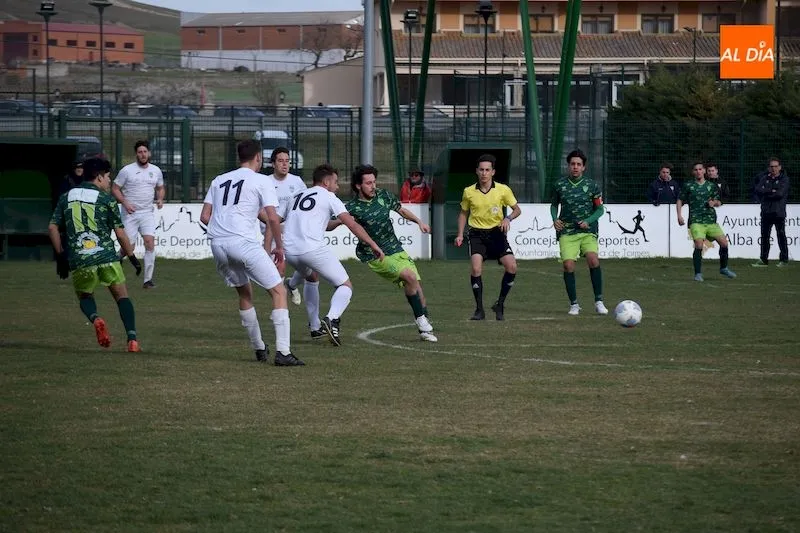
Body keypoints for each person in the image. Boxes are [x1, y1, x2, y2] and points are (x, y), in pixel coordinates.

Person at [200, 140, 304, 366]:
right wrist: (279, 248)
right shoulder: (260, 180)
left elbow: (205, 216)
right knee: (278, 291)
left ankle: (259, 347)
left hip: (218, 245)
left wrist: (228, 224)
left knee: (245, 294)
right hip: (243, 243)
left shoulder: (219, 180)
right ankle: (283, 352)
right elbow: (273, 218)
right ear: (258, 157)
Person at [281, 163, 385, 346]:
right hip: (312, 249)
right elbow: (353, 225)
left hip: (289, 251)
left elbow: (276, 218)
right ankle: (331, 318)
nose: (338, 186)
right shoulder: (329, 196)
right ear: (327, 182)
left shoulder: (296, 196)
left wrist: (337, 223)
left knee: (312, 277)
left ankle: (314, 327)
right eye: (336, 182)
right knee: (345, 285)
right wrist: (372, 244)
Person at [47, 157, 143, 352]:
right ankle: (132, 340)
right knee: (122, 296)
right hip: (106, 257)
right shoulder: (106, 199)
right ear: (99, 177)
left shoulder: (66, 196)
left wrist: (61, 254)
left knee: (85, 296)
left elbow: (52, 227)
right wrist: (132, 257)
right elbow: (120, 233)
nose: (109, 181)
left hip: (80, 259)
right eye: (108, 177)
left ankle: (96, 318)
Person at [336, 164, 437, 342]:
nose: (373, 186)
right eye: (368, 183)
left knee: (417, 289)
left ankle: (424, 330)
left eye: (374, 182)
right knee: (410, 277)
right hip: (374, 254)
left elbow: (401, 210)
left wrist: (419, 222)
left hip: (395, 248)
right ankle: (421, 321)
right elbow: (330, 224)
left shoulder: (383, 195)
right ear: (358, 186)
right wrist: (339, 222)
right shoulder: (351, 207)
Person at [454, 154, 521, 321]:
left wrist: (508, 218)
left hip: (497, 233)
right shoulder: (469, 191)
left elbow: (517, 209)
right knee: (476, 269)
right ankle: (479, 310)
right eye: (481, 170)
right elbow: (463, 213)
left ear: (493, 172)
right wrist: (460, 234)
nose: (484, 173)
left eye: (487, 170)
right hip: (476, 234)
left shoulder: (503, 190)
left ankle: (500, 304)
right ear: (477, 171)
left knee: (511, 267)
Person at [551, 149, 609, 316]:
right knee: (568, 265)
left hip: (588, 231)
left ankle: (599, 301)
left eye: (578, 164)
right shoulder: (560, 185)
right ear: (568, 166)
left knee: (593, 260)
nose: (575, 167)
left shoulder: (592, 185)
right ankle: (574, 304)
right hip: (567, 231)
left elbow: (600, 210)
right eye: (572, 164)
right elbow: (554, 205)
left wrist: (588, 221)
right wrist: (555, 219)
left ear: (584, 167)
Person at [264, 146, 318, 310]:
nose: (285, 164)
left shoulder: (297, 182)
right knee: (277, 275)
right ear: (273, 164)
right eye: (280, 161)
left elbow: (306, 208)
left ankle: (292, 285)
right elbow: (260, 209)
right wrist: (270, 225)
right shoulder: (265, 182)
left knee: (311, 273)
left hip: (296, 235)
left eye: (287, 161)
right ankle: (281, 312)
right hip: (273, 236)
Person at [112, 140, 165, 289]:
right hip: (130, 214)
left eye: (145, 152)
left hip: (147, 213)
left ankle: (148, 280)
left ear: (149, 153)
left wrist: (160, 199)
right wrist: (125, 202)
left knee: (150, 243)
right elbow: (115, 189)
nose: (143, 154)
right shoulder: (127, 170)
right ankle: (114, 262)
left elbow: (160, 188)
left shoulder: (155, 170)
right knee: (129, 247)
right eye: (140, 152)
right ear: (136, 154)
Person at [676, 162, 737, 281]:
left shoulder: (711, 186)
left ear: (704, 171)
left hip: (710, 220)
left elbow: (719, 202)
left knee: (724, 243)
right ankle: (698, 273)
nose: (698, 171)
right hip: (696, 220)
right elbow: (680, 200)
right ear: (693, 172)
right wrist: (679, 215)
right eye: (696, 170)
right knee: (699, 244)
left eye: (700, 169)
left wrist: (714, 203)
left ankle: (723, 268)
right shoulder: (688, 185)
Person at [752, 157, 790, 267]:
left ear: (780, 167)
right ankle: (763, 259)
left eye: (776, 166)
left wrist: (766, 192)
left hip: (778, 212)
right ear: (769, 168)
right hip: (766, 212)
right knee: (764, 236)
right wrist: (771, 191)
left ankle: (784, 260)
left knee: (781, 235)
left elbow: (780, 194)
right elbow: (758, 189)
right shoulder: (765, 178)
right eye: (771, 166)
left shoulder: (784, 179)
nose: (773, 168)